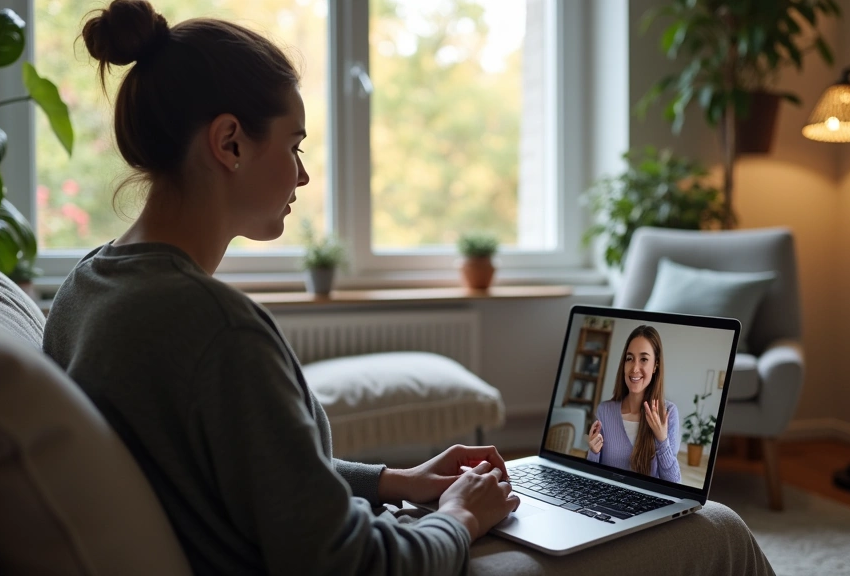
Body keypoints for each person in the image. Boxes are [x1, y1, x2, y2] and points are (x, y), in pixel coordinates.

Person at [42, 2, 518, 574]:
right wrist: (460, 517)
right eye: (294, 145)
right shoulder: (218, 330)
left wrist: (397, 481)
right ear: (230, 143)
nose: (303, 174)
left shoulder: (85, 289)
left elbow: (248, 471)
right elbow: (350, 564)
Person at [586, 325, 681, 483]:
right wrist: (593, 452)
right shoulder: (605, 411)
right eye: (630, 358)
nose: (635, 368)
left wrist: (662, 440)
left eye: (644, 359)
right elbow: (591, 479)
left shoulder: (668, 413)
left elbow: (674, 484)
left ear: (655, 365)